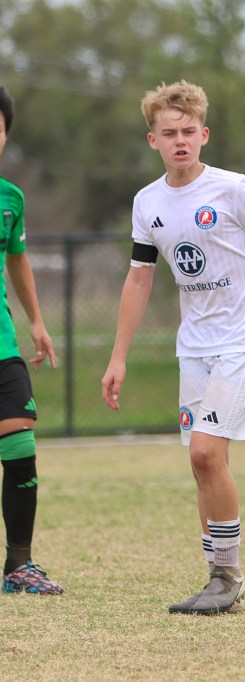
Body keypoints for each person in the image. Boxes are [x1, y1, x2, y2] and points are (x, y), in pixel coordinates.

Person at [100, 80, 245, 615]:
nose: (180, 140)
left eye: (189, 131)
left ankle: (228, 576)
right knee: (203, 465)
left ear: (204, 134)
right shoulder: (147, 203)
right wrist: (118, 356)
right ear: (153, 140)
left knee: (205, 452)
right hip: (195, 346)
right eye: (170, 133)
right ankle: (218, 577)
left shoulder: (235, 189)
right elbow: (140, 278)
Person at [0, 86, 62, 596]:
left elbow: (17, 259)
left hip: (2, 345)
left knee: (21, 445)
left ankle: (18, 567)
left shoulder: (10, 199)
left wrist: (37, 321)